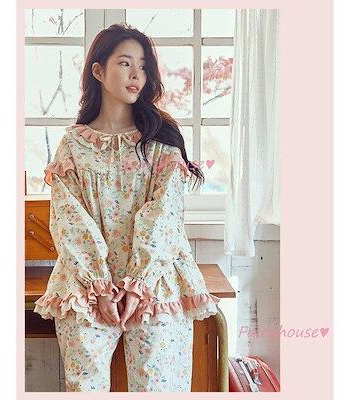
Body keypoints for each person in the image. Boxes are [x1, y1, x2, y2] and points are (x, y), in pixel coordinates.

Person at [33, 23, 220, 392]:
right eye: (125, 63)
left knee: (158, 386)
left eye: (143, 66)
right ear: (98, 71)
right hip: (85, 283)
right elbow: (69, 219)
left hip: (156, 280)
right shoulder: (73, 147)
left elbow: (164, 216)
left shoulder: (161, 143)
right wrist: (98, 285)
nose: (137, 75)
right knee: (85, 387)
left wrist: (138, 284)